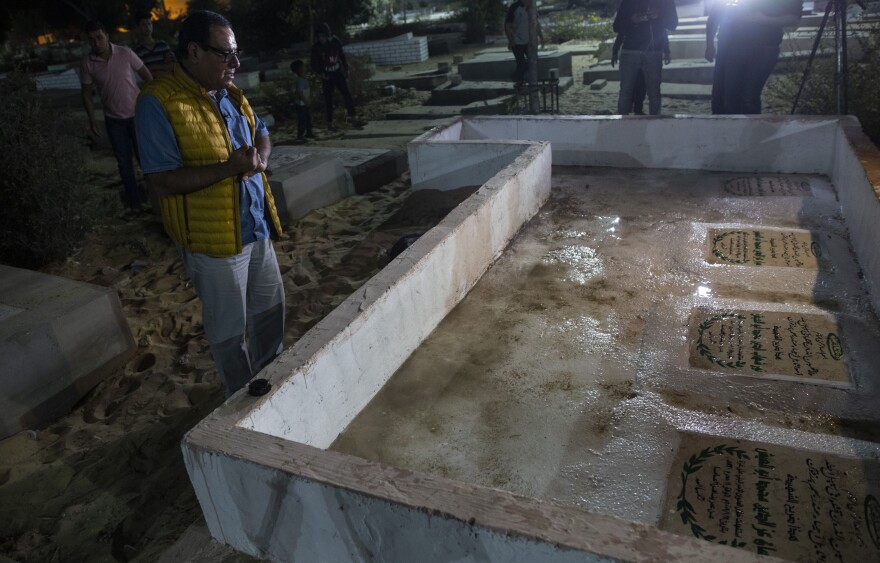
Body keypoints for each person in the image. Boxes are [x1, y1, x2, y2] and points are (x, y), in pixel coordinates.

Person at [134, 10, 286, 397]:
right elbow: (162, 181)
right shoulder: (159, 102)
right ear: (194, 50)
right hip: (213, 243)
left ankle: (273, 387)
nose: (235, 63)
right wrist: (228, 169)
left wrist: (262, 160)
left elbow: (262, 132)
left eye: (236, 53)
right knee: (229, 331)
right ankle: (241, 396)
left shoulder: (231, 92)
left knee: (270, 314)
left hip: (256, 227)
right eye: (225, 54)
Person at [80, 20, 152, 216]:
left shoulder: (125, 53)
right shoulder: (88, 63)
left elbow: (148, 77)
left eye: (99, 38)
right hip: (114, 120)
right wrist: (91, 119)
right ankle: (136, 204)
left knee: (146, 160)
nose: (96, 43)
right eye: (91, 40)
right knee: (124, 164)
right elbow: (86, 93)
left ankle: (155, 200)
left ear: (107, 37)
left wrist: (150, 105)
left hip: (138, 116)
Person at [705, 0, 803, 114]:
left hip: (764, 47)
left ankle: (746, 129)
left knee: (748, 97)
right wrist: (709, 42)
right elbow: (717, 10)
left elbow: (794, 19)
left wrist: (762, 19)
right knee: (727, 97)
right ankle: (728, 128)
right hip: (732, 46)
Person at [612, 0, 678, 116]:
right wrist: (632, 20)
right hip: (630, 51)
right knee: (625, 92)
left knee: (654, 94)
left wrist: (660, 15)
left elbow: (673, 24)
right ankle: (622, 126)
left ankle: (655, 127)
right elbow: (617, 27)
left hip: (654, 53)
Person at [611, 28, 672, 115]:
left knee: (645, 90)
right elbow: (621, 27)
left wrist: (666, 50)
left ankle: (637, 110)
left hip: (648, 52)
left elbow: (661, 28)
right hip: (635, 51)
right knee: (630, 90)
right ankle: (634, 111)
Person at [310, 23, 356, 131]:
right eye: (319, 36)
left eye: (323, 36)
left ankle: (353, 117)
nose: (321, 38)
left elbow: (341, 55)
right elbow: (314, 64)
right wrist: (321, 74)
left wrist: (346, 68)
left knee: (346, 94)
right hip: (327, 76)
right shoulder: (316, 48)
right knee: (328, 99)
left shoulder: (335, 42)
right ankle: (330, 123)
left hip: (337, 72)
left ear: (327, 35)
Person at [504, 0, 544, 85]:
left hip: (530, 41)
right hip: (517, 41)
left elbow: (536, 23)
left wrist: (541, 37)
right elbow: (507, 25)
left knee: (533, 61)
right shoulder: (515, 7)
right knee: (521, 63)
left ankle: (520, 78)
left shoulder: (532, 7)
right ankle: (519, 82)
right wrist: (511, 40)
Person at [132, 11, 176, 75]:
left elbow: (173, 65)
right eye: (144, 25)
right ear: (138, 27)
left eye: (149, 24)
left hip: (167, 82)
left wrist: (152, 67)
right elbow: (140, 73)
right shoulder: (136, 51)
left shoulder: (162, 45)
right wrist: (163, 68)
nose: (147, 27)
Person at [290, 59, 314, 140]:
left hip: (303, 103)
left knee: (308, 119)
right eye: (303, 66)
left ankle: (309, 133)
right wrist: (306, 101)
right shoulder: (300, 80)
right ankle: (300, 135)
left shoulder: (303, 79)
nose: (305, 67)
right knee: (303, 120)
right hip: (301, 104)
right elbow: (300, 93)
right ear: (300, 69)